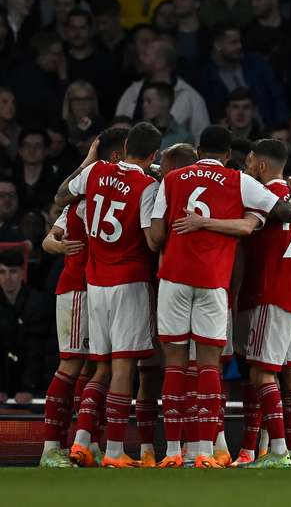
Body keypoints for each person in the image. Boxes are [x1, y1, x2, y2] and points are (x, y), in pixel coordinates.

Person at [148, 126, 291, 468]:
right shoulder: (240, 181)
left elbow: (157, 236)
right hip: (212, 282)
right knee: (209, 365)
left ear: (198, 148)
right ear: (227, 155)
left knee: (174, 364)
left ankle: (174, 451)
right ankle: (205, 451)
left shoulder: (173, 179)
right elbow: (288, 213)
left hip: (173, 278)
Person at [177, 139, 291, 468]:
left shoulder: (261, 198)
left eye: (248, 161)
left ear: (261, 165)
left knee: (261, 375)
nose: (245, 167)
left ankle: (276, 451)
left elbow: (246, 228)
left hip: (270, 296)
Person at [53, 122, 162, 468]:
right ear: (154, 155)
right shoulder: (146, 186)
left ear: (125, 146)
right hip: (128, 283)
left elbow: (60, 196)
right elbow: (151, 240)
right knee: (123, 368)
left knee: (99, 366)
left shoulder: (96, 170)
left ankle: (82, 442)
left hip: (95, 284)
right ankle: (115, 450)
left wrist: (87, 160)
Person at [38, 126, 126, 468]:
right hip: (76, 288)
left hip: (100, 289)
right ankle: (50, 449)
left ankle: (86, 441)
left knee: (95, 366)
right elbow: (49, 239)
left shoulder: (111, 195)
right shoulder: (80, 199)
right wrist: (58, 246)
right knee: (71, 364)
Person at [0, 249, 53, 406]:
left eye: (13, 271)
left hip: (31, 387)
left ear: (22, 273)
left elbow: (36, 350)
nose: (7, 277)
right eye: (2, 272)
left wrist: (28, 387)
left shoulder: (37, 304)